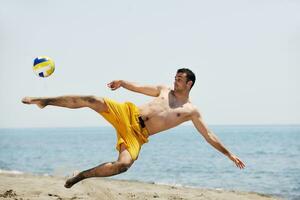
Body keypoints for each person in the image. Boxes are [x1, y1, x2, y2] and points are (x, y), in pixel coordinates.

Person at [22, 68, 245, 188]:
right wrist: (122, 83)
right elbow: (140, 87)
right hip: (127, 114)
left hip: (138, 135)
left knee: (124, 165)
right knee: (92, 100)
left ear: (189, 84)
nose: (175, 81)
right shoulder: (163, 90)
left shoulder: (191, 111)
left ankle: (80, 176)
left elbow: (208, 135)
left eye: (179, 79)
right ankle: (44, 100)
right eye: (175, 77)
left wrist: (229, 154)